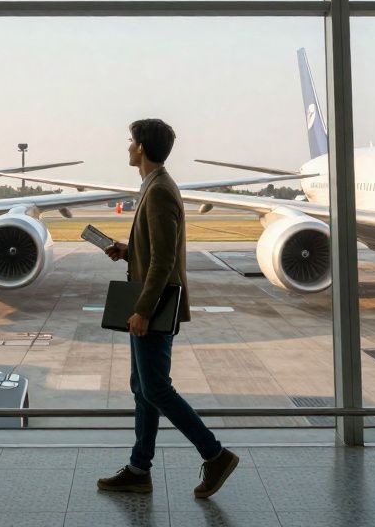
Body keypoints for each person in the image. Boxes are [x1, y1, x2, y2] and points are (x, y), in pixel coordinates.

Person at [96, 118, 240, 499]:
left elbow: (163, 262)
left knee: (156, 389)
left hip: (155, 307)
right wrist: (128, 250)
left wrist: (142, 310)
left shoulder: (159, 190)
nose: (127, 147)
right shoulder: (153, 186)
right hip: (151, 302)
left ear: (141, 148)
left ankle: (215, 454)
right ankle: (139, 468)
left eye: (131, 141)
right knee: (143, 388)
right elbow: (156, 252)